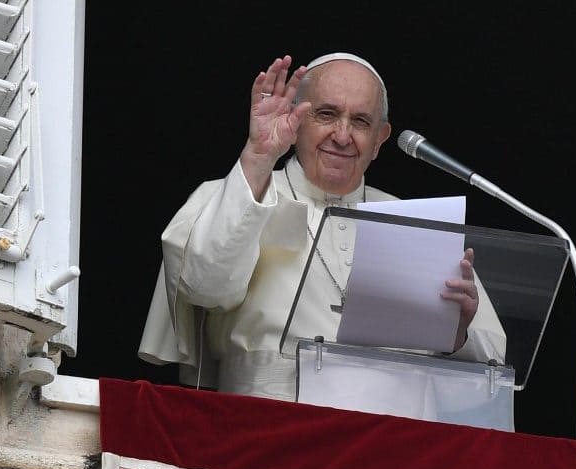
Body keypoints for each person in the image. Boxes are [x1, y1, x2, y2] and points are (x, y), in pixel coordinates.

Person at [139, 53, 505, 400]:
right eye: (326, 114)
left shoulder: (416, 223)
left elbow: (494, 362)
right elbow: (205, 288)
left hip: (394, 433)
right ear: (296, 121)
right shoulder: (234, 193)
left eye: (360, 121)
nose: (342, 136)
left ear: (379, 139)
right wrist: (259, 157)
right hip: (265, 425)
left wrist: (456, 334)